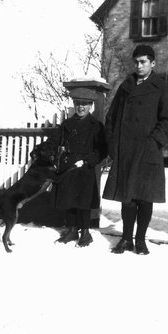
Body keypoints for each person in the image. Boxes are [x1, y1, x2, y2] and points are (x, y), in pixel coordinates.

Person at [103, 45, 168, 255]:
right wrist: (112, 144)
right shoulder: (126, 86)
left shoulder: (161, 87)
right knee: (128, 197)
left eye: (143, 61)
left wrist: (154, 142)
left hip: (148, 150)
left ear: (153, 63)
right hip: (125, 150)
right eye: (136, 61)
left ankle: (140, 240)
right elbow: (111, 118)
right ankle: (126, 239)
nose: (139, 65)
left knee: (145, 197)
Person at [34, 88, 107, 247]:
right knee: (68, 200)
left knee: (83, 202)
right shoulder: (67, 124)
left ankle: (86, 234)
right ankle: (72, 230)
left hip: (85, 169)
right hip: (68, 167)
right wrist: (41, 150)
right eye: (78, 104)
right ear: (74, 105)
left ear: (90, 106)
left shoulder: (96, 126)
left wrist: (88, 161)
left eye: (85, 104)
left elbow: (102, 150)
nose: (81, 107)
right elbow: (54, 141)